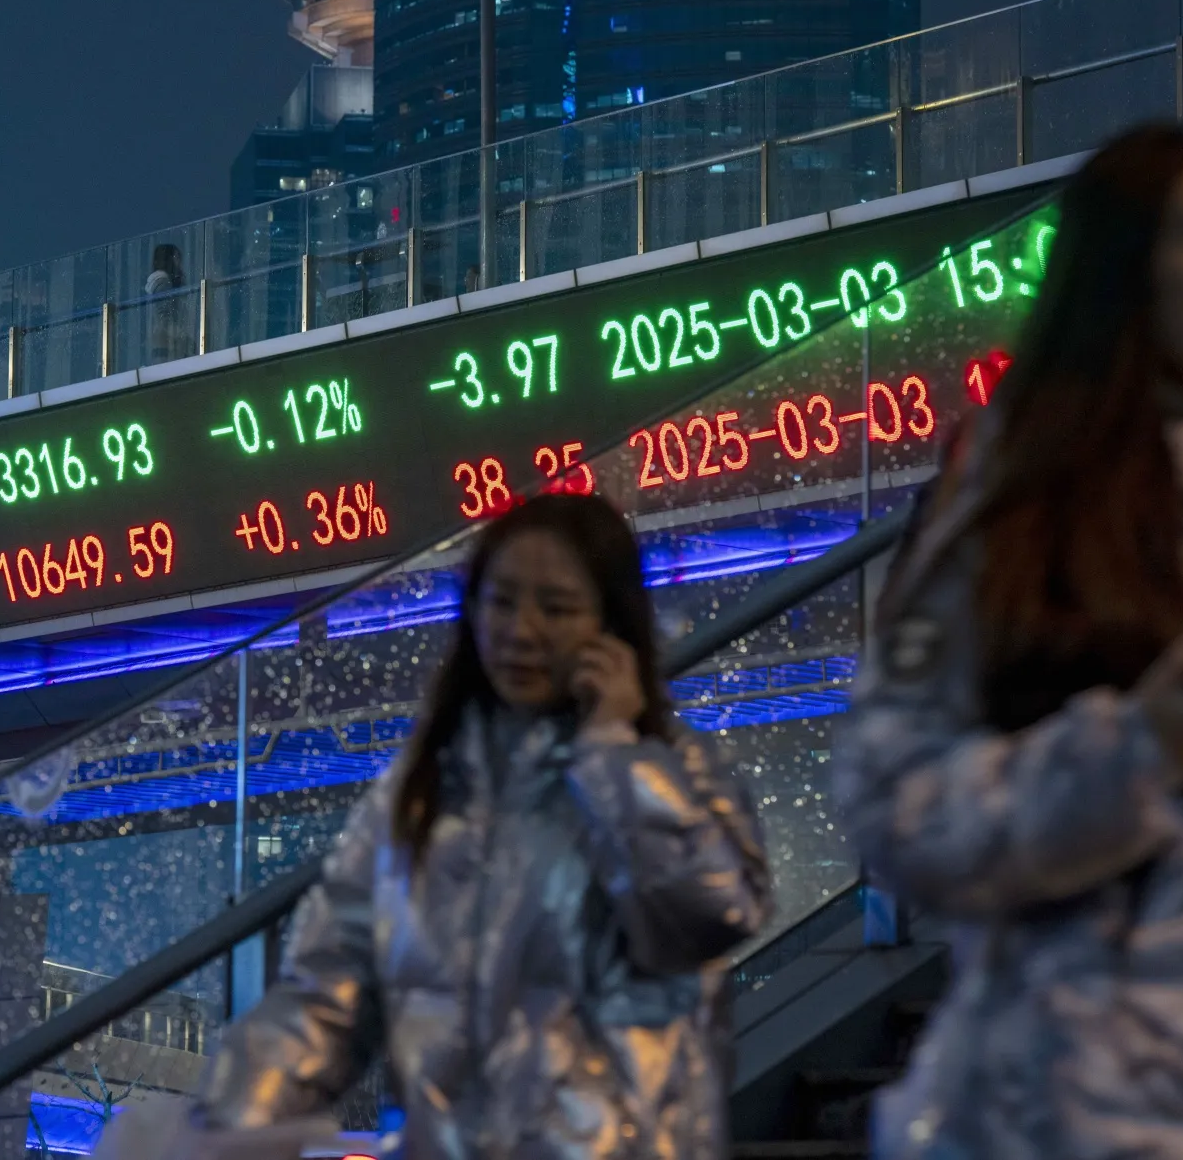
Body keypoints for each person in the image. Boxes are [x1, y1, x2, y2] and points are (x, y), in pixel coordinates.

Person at [835, 124, 1183, 1157]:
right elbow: (891, 805)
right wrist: (1141, 752)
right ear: (1123, 281)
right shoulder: (1020, 514)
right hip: (1073, 1116)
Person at [191, 493, 772, 1160]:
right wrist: (231, 1118)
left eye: (555, 608)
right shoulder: (423, 792)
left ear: (611, 627)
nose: (521, 630)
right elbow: (329, 992)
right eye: (500, 602)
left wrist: (613, 756)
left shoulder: (672, 771)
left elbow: (713, 910)